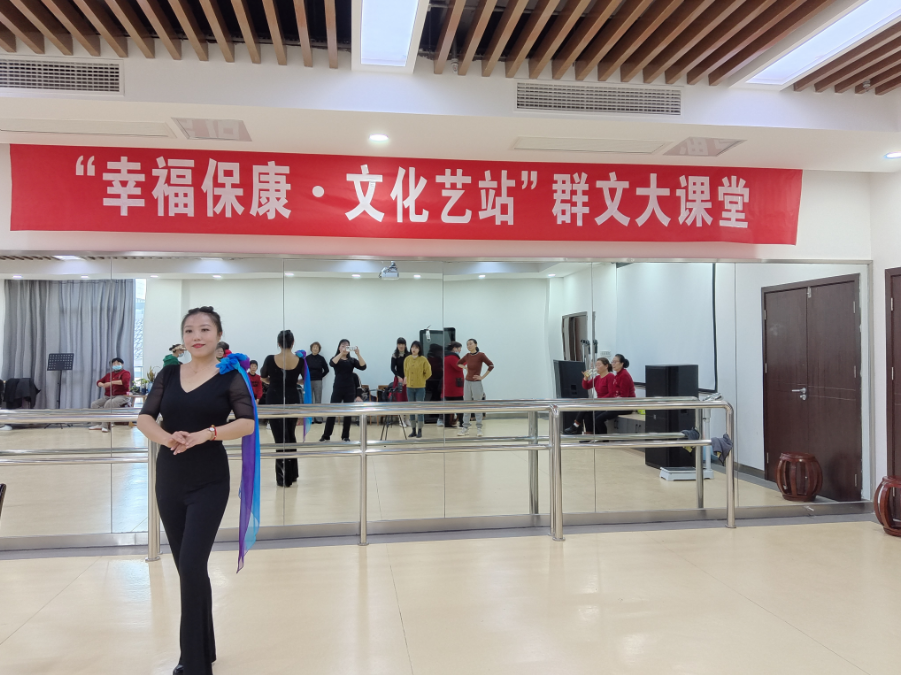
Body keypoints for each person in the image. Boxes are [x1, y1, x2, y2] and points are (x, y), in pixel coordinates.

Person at [136, 306, 255, 675]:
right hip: (170, 477)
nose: (196, 336)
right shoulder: (169, 374)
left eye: (204, 329)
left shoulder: (230, 376)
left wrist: (207, 434)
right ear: (183, 337)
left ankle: (193, 663)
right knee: (188, 568)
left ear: (218, 335)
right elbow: (144, 417)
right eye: (189, 330)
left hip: (209, 480)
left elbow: (247, 423)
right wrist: (167, 438)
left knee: (190, 564)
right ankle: (205, 648)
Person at [260, 330, 304, 487]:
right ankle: (293, 474)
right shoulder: (300, 360)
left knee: (280, 439)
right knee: (290, 435)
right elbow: (305, 379)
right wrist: (293, 382)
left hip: (275, 398)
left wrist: (273, 381)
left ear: (278, 343)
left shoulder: (270, 359)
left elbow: (263, 376)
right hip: (292, 397)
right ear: (293, 343)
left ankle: (283, 478)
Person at [321, 340, 367, 443]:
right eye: (343, 346)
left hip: (350, 389)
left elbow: (363, 366)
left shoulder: (352, 360)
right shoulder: (336, 358)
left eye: (347, 346)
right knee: (332, 411)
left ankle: (345, 436)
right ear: (339, 347)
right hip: (338, 388)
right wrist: (341, 353)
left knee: (348, 413)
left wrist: (358, 354)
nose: (345, 348)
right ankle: (326, 435)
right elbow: (332, 363)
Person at [564, 357, 615, 436]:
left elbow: (611, 394)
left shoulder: (610, 376)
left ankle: (575, 426)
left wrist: (598, 401)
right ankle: (588, 433)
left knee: (587, 408)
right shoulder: (597, 378)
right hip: (599, 402)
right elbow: (586, 386)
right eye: (596, 365)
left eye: (599, 365)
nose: (597, 367)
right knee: (586, 412)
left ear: (606, 366)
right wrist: (585, 378)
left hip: (606, 402)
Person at [591, 354, 636, 435]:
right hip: (617, 404)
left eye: (615, 362)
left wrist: (611, 403)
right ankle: (597, 437)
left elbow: (624, 396)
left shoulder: (624, 375)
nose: (613, 364)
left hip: (626, 406)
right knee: (594, 415)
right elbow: (614, 393)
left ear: (622, 363)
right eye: (612, 362)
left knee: (598, 418)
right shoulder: (618, 375)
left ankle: (604, 439)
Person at [458, 338, 493, 437]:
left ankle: (479, 428)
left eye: (471, 344)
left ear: (476, 344)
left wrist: (482, 377)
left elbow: (491, 365)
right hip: (467, 382)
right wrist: (465, 367)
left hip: (476, 383)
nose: (469, 346)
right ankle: (465, 428)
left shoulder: (481, 355)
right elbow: (459, 363)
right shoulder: (467, 356)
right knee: (467, 405)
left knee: (478, 405)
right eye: (467, 344)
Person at [89, 357, 131, 432]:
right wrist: (102, 384)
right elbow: (98, 382)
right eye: (114, 364)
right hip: (108, 396)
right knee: (94, 404)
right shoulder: (109, 375)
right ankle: (97, 424)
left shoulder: (125, 373)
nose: (116, 365)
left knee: (109, 403)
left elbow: (124, 381)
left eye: (118, 363)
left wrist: (111, 383)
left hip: (121, 396)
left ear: (122, 364)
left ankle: (105, 426)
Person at [403, 340, 432, 438]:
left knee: (419, 408)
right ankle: (413, 430)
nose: (414, 349)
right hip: (409, 387)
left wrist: (422, 379)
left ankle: (420, 430)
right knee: (411, 408)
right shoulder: (407, 359)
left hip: (420, 387)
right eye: (412, 347)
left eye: (416, 347)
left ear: (419, 349)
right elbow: (405, 371)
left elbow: (428, 372)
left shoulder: (423, 359)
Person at [304, 342, 329, 423]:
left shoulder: (321, 358)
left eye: (317, 347)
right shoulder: (307, 358)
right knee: (309, 400)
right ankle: (310, 418)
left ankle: (318, 418)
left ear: (319, 349)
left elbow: (327, 370)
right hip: (308, 381)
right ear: (311, 348)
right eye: (314, 347)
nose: (315, 348)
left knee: (318, 400)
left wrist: (320, 376)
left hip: (318, 381)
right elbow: (303, 369)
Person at [443, 342, 464, 428]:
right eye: (459, 348)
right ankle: (462, 422)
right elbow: (458, 367)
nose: (460, 350)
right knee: (460, 405)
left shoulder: (446, 356)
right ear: (454, 348)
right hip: (455, 385)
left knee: (448, 405)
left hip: (449, 385)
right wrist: (466, 361)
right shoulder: (452, 357)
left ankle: (447, 422)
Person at [389, 338, 409, 425]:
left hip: (408, 380)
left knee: (408, 399)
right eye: (399, 344)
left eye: (403, 344)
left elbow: (410, 367)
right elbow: (392, 368)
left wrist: (406, 377)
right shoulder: (395, 355)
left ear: (405, 345)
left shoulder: (409, 355)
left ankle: (407, 419)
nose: (401, 346)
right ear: (397, 345)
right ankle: (401, 420)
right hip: (399, 380)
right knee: (400, 399)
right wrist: (399, 377)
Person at [426, 342, 444, 425]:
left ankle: (434, 412)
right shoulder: (431, 359)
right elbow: (435, 369)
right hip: (433, 380)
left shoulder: (437, 358)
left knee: (435, 397)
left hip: (438, 380)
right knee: (435, 397)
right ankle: (432, 412)